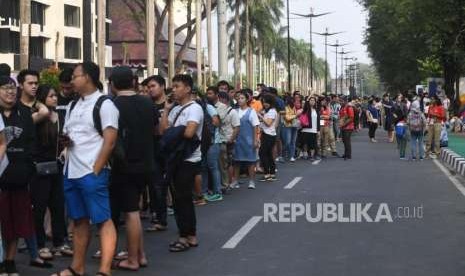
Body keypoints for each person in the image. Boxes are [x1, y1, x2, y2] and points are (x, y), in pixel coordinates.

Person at [54, 62, 119, 276]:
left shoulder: (104, 104)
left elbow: (110, 141)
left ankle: (104, 270)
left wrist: (97, 169)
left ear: (88, 78)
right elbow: (74, 136)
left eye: (75, 76)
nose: (71, 80)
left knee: (102, 219)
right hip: (71, 171)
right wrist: (66, 141)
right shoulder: (74, 104)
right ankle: (77, 268)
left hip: (92, 172)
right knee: (79, 221)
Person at [109, 66, 153, 271]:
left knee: (131, 213)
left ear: (113, 84)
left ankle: (133, 260)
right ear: (134, 82)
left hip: (125, 164)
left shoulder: (112, 105)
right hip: (146, 163)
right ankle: (140, 255)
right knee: (133, 208)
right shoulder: (147, 102)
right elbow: (157, 128)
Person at [0, 76, 41, 275]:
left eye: (12, 88)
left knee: (17, 222)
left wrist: (28, 168)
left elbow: (33, 143)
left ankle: (10, 260)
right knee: (3, 223)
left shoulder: (24, 113)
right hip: (1, 178)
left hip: (19, 177)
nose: (10, 92)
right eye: (5, 88)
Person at [160, 74, 202, 252]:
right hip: (174, 159)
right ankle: (183, 234)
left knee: (184, 198)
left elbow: (189, 132)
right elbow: (163, 130)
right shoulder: (176, 109)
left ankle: (189, 236)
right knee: (177, 199)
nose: (174, 90)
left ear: (187, 88)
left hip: (188, 159)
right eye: (173, 86)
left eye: (177, 86)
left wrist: (173, 131)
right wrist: (167, 110)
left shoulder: (195, 109)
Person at [31, 85, 71, 260]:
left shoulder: (60, 116)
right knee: (39, 207)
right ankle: (39, 245)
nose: (55, 99)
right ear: (42, 99)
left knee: (58, 205)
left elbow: (67, 136)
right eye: (51, 96)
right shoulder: (39, 116)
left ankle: (59, 242)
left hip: (57, 164)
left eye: (55, 96)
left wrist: (66, 146)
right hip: (39, 165)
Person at [145, 75, 170, 232]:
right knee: (154, 184)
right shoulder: (147, 105)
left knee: (166, 184)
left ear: (162, 86)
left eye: (153, 86)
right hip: (152, 148)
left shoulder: (171, 104)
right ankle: (158, 216)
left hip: (169, 148)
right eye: (148, 87)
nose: (150, 89)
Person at [231, 90, 260, 189]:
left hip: (248, 140)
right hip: (237, 140)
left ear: (247, 99)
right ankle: (235, 180)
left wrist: (255, 140)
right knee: (236, 161)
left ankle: (252, 181)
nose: (240, 100)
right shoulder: (234, 111)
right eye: (238, 98)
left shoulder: (251, 111)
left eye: (242, 98)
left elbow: (255, 126)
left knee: (251, 161)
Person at [216, 92, 240, 191]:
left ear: (225, 100)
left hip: (229, 141)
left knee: (228, 163)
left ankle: (228, 183)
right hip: (220, 140)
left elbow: (237, 127)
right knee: (222, 164)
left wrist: (231, 139)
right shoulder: (217, 111)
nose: (218, 102)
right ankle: (225, 183)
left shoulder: (232, 112)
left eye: (220, 100)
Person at [258, 94, 278, 182]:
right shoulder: (267, 111)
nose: (265, 104)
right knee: (268, 154)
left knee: (262, 153)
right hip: (266, 134)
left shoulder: (272, 111)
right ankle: (271, 173)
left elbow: (268, 123)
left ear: (271, 102)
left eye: (266, 102)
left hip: (269, 135)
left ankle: (267, 174)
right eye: (263, 102)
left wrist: (260, 116)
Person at [300, 96, 320, 161]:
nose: (312, 102)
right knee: (306, 143)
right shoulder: (306, 109)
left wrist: (318, 130)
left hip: (314, 130)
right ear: (308, 102)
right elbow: (305, 104)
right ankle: (307, 155)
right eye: (311, 100)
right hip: (306, 129)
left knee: (313, 143)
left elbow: (318, 121)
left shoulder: (316, 110)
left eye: (314, 101)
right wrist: (308, 98)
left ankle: (312, 155)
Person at [282, 97, 301, 162]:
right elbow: (287, 118)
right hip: (287, 127)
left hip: (294, 126)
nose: (296, 103)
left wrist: (296, 115)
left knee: (293, 142)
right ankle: (282, 155)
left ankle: (291, 156)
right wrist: (296, 115)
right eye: (295, 102)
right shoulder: (286, 108)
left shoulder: (294, 108)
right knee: (287, 142)